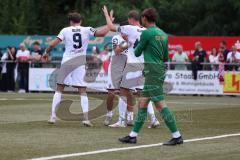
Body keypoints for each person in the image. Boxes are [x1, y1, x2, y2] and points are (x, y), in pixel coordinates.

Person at [117, 8, 183, 145]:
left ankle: (177, 136)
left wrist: (127, 40)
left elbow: (136, 52)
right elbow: (165, 56)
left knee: (160, 103)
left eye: (142, 18)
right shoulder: (163, 34)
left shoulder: (147, 33)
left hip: (152, 70)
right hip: (158, 69)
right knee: (143, 103)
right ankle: (133, 135)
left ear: (145, 19)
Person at [44, 11, 111, 126]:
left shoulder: (65, 30)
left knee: (59, 88)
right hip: (80, 61)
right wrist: (109, 22)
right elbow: (102, 33)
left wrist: (46, 52)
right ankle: (85, 118)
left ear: (70, 21)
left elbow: (52, 44)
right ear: (81, 21)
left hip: (67, 61)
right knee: (82, 90)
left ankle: (53, 116)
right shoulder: (87, 29)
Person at [103, 6, 160, 128]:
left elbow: (111, 27)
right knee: (142, 93)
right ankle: (154, 119)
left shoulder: (130, 28)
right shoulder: (146, 31)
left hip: (132, 65)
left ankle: (122, 121)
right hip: (144, 65)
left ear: (130, 19)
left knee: (123, 91)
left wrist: (107, 16)